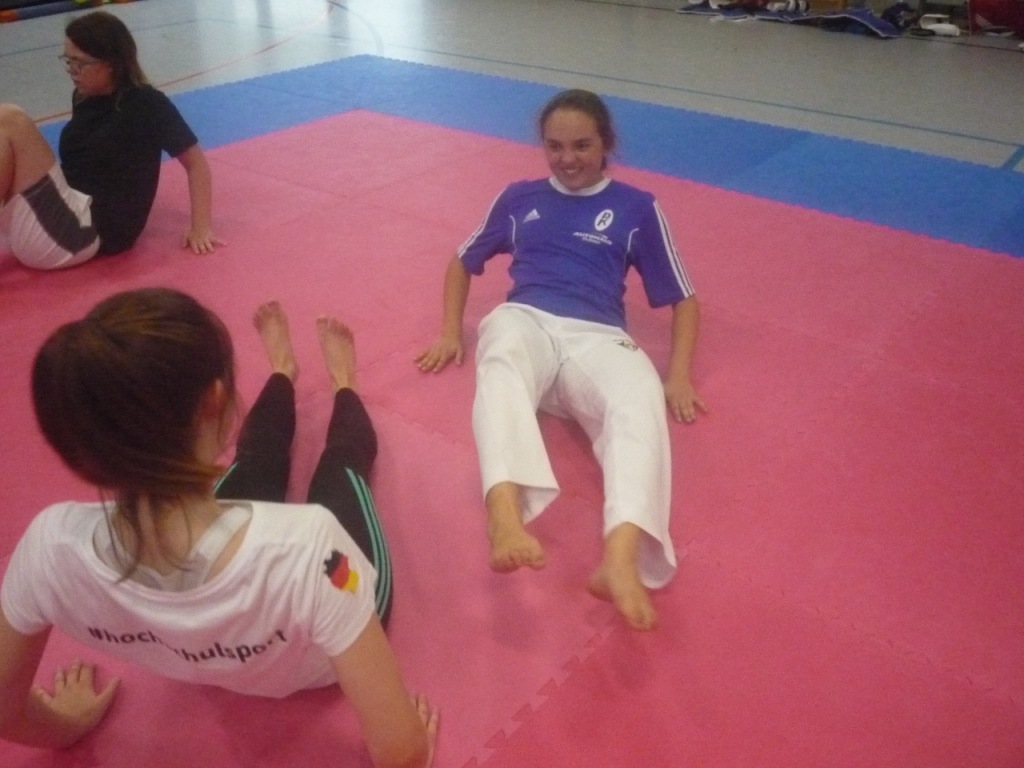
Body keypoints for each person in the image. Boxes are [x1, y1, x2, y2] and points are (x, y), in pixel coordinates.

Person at [0, 289, 437, 767]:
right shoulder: (315, 548)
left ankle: (282, 371)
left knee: (255, 460)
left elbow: (5, 712)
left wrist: (67, 727)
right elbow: (401, 751)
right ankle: (344, 383)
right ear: (216, 401)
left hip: (223, 656)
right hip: (320, 653)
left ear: (80, 449)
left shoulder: (46, 549)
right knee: (342, 467)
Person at [416, 88, 705, 632]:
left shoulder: (637, 207)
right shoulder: (518, 197)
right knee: (500, 353)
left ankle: (620, 555)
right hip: (527, 321)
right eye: (555, 146)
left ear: (606, 144)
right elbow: (462, 260)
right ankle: (504, 515)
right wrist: (450, 331)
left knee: (639, 398)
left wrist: (679, 375)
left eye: (581, 146)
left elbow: (684, 299)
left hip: (598, 339)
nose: (568, 159)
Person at [0, 11, 221, 271]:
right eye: (68, 61)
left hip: (91, 232)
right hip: (66, 212)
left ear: (111, 64)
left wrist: (200, 228)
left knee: (11, 118)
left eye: (79, 63)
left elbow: (196, 164)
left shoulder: (147, 104)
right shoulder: (83, 97)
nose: (71, 71)